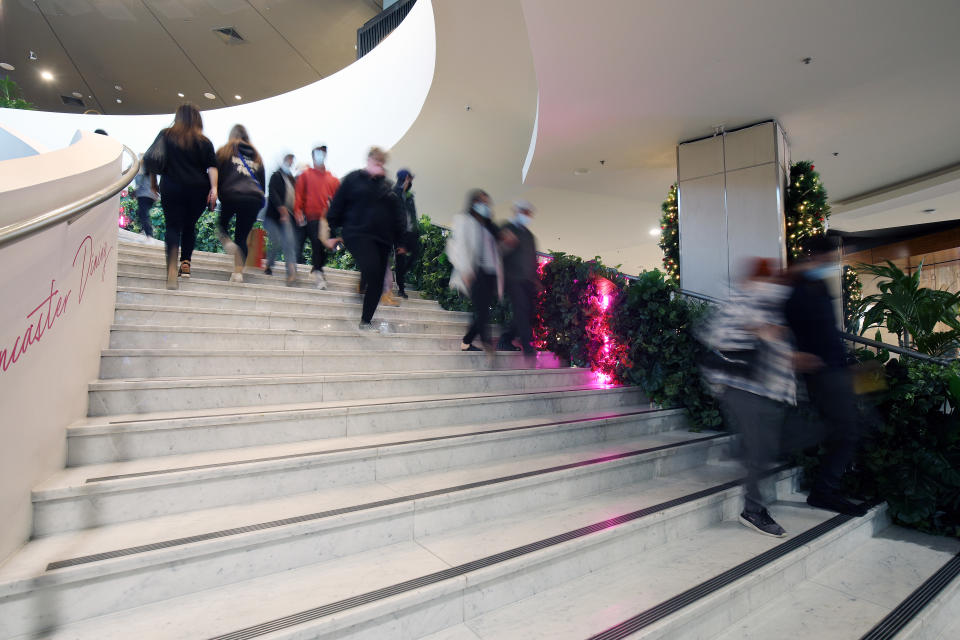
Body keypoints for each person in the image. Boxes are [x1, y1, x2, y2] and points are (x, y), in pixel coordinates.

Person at [700, 258, 796, 537]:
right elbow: (719, 338)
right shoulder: (743, 303)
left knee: (765, 449)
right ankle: (752, 509)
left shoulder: (769, 304)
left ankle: (741, 454)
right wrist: (758, 329)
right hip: (746, 389)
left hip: (763, 389)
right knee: (762, 451)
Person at [784, 235, 867, 517]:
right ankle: (824, 491)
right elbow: (784, 326)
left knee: (844, 430)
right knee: (846, 431)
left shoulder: (818, 285)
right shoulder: (798, 288)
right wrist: (795, 353)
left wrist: (846, 363)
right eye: (831, 257)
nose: (834, 262)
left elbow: (829, 331)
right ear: (815, 256)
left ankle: (825, 488)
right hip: (821, 371)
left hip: (834, 369)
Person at [326, 146, 405, 331]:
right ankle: (363, 284)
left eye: (382, 163)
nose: (379, 165)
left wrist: (401, 241)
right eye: (376, 161)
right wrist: (331, 233)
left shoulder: (385, 186)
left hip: (382, 240)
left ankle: (366, 320)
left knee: (377, 280)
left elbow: (397, 215)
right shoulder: (353, 179)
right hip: (357, 234)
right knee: (371, 269)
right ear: (369, 160)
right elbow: (337, 204)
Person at [148, 103, 218, 289]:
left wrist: (153, 182)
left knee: (172, 226)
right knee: (189, 226)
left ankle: (171, 266)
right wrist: (214, 188)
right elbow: (212, 167)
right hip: (198, 190)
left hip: (172, 186)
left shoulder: (166, 135)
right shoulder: (204, 142)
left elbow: (151, 159)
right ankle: (185, 263)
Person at [447, 189, 503, 355]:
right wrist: (465, 270)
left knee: (483, 310)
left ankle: (468, 341)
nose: (484, 205)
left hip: (491, 272)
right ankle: (486, 345)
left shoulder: (489, 226)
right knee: (482, 310)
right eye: (480, 201)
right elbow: (458, 246)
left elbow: (496, 250)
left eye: (486, 202)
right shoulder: (463, 220)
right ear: (472, 203)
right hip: (475, 271)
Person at [215, 124, 266, 283]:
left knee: (222, 226)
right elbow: (262, 184)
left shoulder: (224, 151)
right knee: (242, 237)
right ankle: (238, 273)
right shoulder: (257, 156)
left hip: (232, 194)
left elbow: (217, 174)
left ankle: (227, 242)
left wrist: (216, 192)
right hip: (253, 199)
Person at [497, 199, 539, 359]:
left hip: (527, 280)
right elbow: (496, 250)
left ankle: (506, 338)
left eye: (529, 213)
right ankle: (528, 347)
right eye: (525, 212)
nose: (528, 216)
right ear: (517, 212)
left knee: (527, 311)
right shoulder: (507, 228)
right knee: (521, 309)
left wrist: (535, 279)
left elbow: (532, 258)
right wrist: (506, 244)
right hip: (512, 278)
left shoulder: (529, 235)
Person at [294, 145, 340, 289]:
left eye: (323, 153)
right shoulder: (305, 176)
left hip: (326, 219)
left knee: (324, 246)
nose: (320, 156)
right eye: (318, 153)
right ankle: (318, 272)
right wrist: (298, 211)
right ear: (313, 156)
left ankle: (317, 269)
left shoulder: (332, 179)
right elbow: (299, 195)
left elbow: (338, 199)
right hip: (312, 217)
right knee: (316, 242)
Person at [263, 153, 299, 285]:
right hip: (273, 217)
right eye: (289, 160)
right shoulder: (276, 176)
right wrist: (282, 209)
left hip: (287, 218)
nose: (290, 163)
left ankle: (291, 271)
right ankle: (269, 264)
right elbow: (273, 193)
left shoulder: (291, 180)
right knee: (276, 240)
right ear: (284, 161)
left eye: (292, 161)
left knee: (289, 242)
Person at [393, 168, 419, 299]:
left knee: (415, 254)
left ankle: (399, 274)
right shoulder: (395, 193)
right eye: (409, 178)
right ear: (403, 179)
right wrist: (400, 241)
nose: (410, 181)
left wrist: (416, 231)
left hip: (411, 232)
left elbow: (412, 216)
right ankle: (401, 288)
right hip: (399, 233)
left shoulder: (409, 196)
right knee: (400, 259)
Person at [133, 157, 157, 238]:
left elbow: (139, 183)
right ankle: (146, 230)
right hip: (151, 196)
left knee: (143, 214)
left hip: (143, 195)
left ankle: (149, 234)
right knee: (142, 213)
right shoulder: (151, 171)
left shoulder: (141, 170)